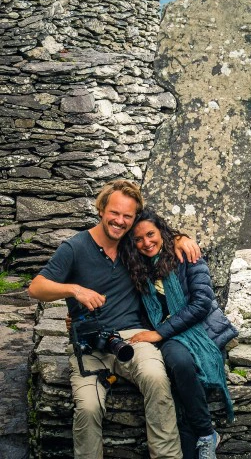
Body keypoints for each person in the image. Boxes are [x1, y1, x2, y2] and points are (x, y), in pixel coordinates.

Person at [28, 179, 200, 459]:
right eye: (114, 213)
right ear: (101, 209)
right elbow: (36, 287)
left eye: (127, 216)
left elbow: (157, 235)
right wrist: (74, 289)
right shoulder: (74, 248)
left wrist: (180, 238)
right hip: (90, 346)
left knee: (157, 378)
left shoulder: (132, 246)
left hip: (132, 338)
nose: (119, 221)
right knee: (87, 408)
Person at [124, 207, 236, 459]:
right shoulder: (136, 268)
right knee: (179, 371)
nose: (146, 242)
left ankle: (206, 435)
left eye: (150, 234)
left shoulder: (186, 255)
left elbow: (202, 303)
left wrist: (158, 334)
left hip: (198, 331)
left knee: (182, 365)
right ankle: (205, 436)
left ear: (161, 231)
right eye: (138, 239)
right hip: (169, 336)